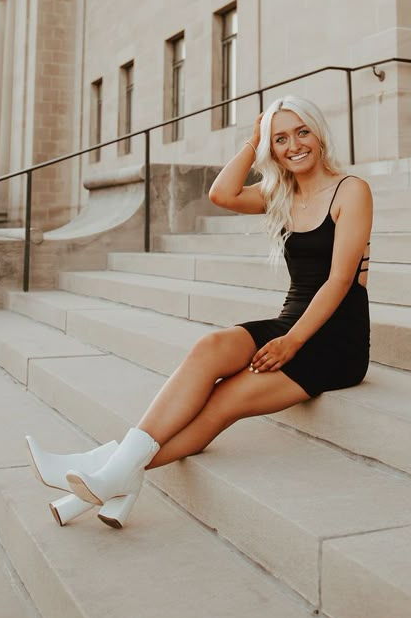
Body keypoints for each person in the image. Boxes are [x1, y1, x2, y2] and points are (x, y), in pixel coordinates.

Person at [26, 94, 372, 528]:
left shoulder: (350, 190)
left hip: (335, 342)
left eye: (302, 131)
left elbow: (339, 281)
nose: (293, 145)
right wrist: (253, 141)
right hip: (290, 320)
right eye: (280, 138)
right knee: (211, 346)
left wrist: (293, 341)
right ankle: (110, 479)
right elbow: (221, 193)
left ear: (319, 133)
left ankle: (107, 475)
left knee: (220, 402)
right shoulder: (280, 192)